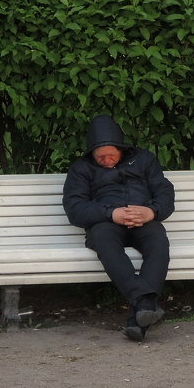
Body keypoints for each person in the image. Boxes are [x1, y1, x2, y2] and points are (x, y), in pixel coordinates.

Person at [63, 114, 175, 341]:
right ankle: (145, 303)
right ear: (91, 154)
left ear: (121, 149)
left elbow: (164, 191)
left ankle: (139, 318)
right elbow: (74, 208)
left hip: (142, 219)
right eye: (100, 157)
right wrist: (110, 213)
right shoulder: (81, 169)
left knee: (158, 239)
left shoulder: (144, 159)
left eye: (110, 155)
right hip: (106, 224)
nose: (106, 160)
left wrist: (151, 211)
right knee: (103, 239)